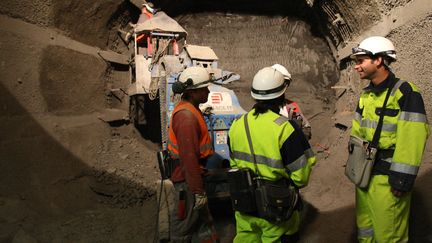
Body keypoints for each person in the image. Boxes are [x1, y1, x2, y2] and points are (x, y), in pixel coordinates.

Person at [350, 36, 429, 242]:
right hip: (366, 175)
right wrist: (356, 165)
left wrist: (401, 179)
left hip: (388, 178)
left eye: (361, 61)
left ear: (378, 60)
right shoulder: (366, 95)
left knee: (389, 235)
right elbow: (357, 132)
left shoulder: (405, 93)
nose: (356, 67)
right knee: (365, 230)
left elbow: (413, 138)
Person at [228, 67, 316, 242]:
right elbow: (301, 177)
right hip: (276, 205)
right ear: (282, 95)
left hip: (245, 204)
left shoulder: (237, 125)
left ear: (254, 95)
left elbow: (234, 165)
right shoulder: (285, 128)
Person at [167, 66, 219, 243]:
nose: (208, 91)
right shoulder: (186, 118)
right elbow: (189, 159)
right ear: (193, 92)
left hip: (192, 178)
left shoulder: (191, 109)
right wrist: (198, 191)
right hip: (187, 181)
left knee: (201, 225)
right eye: (204, 88)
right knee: (184, 227)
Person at [271, 64, 312, 140]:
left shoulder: (292, 106)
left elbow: (306, 127)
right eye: (283, 83)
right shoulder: (259, 110)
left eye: (287, 83)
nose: (285, 87)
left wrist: (300, 143)